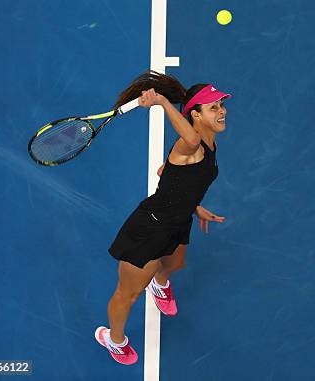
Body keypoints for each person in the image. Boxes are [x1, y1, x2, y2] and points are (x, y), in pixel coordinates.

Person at [94, 71, 229, 365]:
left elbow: (165, 174)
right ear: (195, 114)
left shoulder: (208, 144)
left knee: (175, 264)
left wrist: (195, 207)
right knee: (128, 294)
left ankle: (159, 283)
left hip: (179, 222)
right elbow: (188, 142)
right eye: (213, 107)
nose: (222, 111)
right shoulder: (189, 144)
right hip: (149, 229)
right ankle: (114, 340)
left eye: (221, 105)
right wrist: (163, 103)